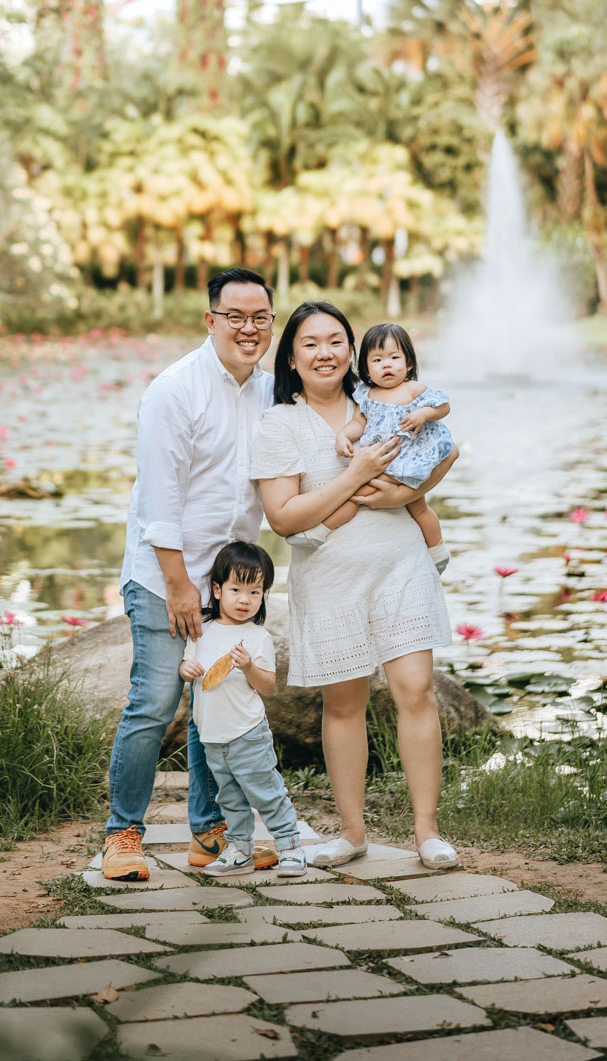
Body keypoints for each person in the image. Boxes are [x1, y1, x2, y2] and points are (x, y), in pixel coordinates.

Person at [251, 301, 461, 871]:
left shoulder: (380, 399)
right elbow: (284, 518)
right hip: (331, 577)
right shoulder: (280, 424)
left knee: (414, 689)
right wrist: (358, 475)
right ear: (291, 358)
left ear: (354, 350)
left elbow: (445, 451)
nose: (326, 353)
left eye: (337, 341)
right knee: (343, 704)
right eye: (311, 343)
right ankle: (351, 833)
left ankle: (426, 832)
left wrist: (400, 496)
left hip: (399, 563)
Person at [101, 268, 278, 882]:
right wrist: (180, 585)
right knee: (154, 704)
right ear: (211, 320)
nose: (248, 328)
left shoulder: (270, 392)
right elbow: (158, 500)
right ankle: (122, 834)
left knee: (216, 702)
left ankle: (209, 832)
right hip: (163, 576)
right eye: (236, 316)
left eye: (260, 318)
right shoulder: (174, 389)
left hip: (228, 585)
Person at [180, 541, 306, 878]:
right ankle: (239, 850)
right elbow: (188, 666)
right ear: (218, 590)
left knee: (266, 792)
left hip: (247, 732)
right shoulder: (202, 631)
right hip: (212, 735)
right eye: (236, 589)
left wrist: (249, 666)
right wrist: (186, 670)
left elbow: (267, 686)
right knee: (229, 798)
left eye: (255, 591)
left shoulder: (257, 637)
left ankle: (290, 845)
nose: (244, 599)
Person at [321, 323, 458, 567]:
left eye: (394, 358)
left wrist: (423, 414)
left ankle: (438, 550)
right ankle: (323, 529)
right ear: (366, 368)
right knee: (370, 497)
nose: (387, 365)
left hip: (406, 460)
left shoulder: (411, 389)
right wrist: (342, 436)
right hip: (381, 462)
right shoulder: (366, 394)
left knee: (419, 509)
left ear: (409, 364)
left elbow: (443, 406)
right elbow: (357, 422)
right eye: (377, 360)